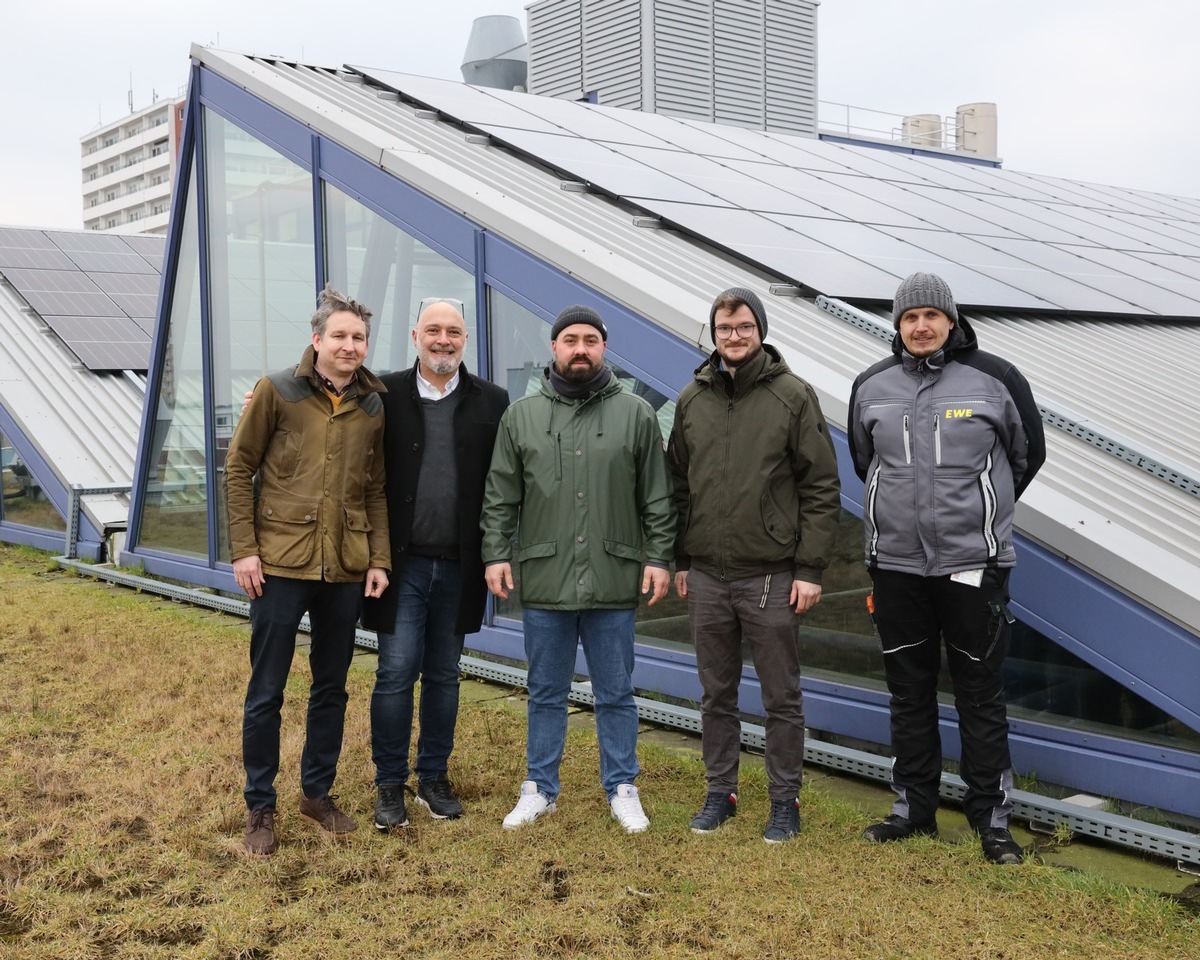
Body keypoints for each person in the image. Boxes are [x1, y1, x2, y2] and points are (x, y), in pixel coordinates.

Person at [848, 272, 1045, 865]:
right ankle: (914, 811)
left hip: (975, 566)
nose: (922, 326)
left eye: (932, 316)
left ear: (951, 322)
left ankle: (992, 821)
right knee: (909, 694)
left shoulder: (996, 379)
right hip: (897, 568)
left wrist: (980, 514)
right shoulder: (870, 385)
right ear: (898, 326)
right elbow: (867, 462)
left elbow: (1026, 454)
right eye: (910, 318)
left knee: (979, 696)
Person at [480, 304, 675, 834]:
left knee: (616, 691)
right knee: (545, 689)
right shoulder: (521, 417)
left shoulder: (634, 413)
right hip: (546, 577)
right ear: (555, 348)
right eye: (570, 339)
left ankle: (623, 787)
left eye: (591, 339)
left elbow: (656, 496)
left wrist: (659, 556)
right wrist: (495, 552)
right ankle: (540, 788)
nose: (580, 348)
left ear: (604, 348)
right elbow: (500, 495)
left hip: (613, 575)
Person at [668, 287, 841, 844]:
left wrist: (810, 569)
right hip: (708, 578)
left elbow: (820, 487)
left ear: (759, 330)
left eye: (743, 326)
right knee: (716, 693)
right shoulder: (692, 399)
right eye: (724, 328)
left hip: (772, 575)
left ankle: (784, 801)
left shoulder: (793, 396)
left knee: (780, 698)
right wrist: (679, 559)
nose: (734, 336)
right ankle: (721, 791)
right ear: (713, 334)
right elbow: (676, 485)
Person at [225, 285, 391, 857]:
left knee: (331, 688)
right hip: (278, 563)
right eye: (339, 336)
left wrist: (379, 558)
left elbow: (374, 489)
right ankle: (260, 807)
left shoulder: (373, 405)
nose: (350, 345)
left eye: (359, 338)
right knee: (266, 689)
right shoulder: (277, 391)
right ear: (316, 339)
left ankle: (316, 795)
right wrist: (244, 550)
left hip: (344, 567)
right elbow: (239, 468)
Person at [360, 298, 509, 829]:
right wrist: (260, 399)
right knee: (396, 672)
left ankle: (434, 777)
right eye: (434, 330)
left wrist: (498, 553)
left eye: (454, 332)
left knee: (445, 674)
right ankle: (389, 785)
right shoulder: (379, 392)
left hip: (460, 565)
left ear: (465, 339)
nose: (444, 340)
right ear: (415, 334)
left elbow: (503, 484)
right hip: (401, 565)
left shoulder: (493, 400)